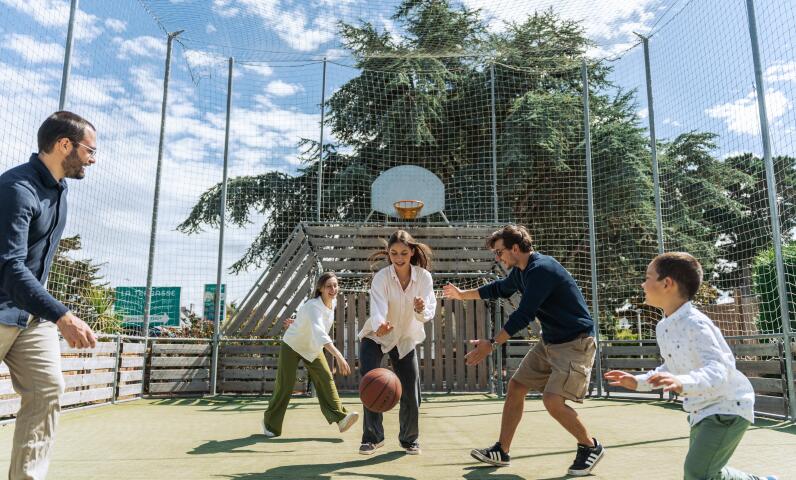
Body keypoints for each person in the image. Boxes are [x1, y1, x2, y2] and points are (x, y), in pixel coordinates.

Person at [443, 224, 603, 476]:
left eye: (499, 252)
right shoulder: (521, 272)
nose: (498, 258)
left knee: (552, 401)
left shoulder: (541, 270)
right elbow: (498, 288)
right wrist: (463, 295)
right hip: (550, 341)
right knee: (516, 386)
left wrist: (491, 343)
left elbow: (524, 314)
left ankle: (590, 446)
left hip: (575, 343)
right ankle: (502, 450)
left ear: (515, 248)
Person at [604, 252, 779, 480]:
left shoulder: (696, 324)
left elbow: (718, 368)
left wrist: (682, 382)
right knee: (709, 474)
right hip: (700, 410)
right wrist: (638, 381)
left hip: (727, 407)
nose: (642, 284)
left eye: (647, 278)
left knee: (697, 473)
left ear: (667, 283)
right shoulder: (664, 327)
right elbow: (671, 367)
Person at [0, 111, 98, 479]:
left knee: (48, 389)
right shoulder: (16, 190)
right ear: (64, 145)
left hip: (30, 316)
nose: (92, 159)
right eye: (89, 150)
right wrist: (62, 314)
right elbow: (10, 266)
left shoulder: (59, 191)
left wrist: (47, 311)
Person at [357, 230, 436, 455]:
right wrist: (380, 324)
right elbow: (378, 307)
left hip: (404, 338)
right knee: (370, 382)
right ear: (388, 253)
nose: (398, 258)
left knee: (411, 390)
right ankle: (372, 438)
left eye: (403, 252)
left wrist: (420, 309)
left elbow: (428, 310)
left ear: (412, 252)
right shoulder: (382, 277)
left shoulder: (423, 277)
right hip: (376, 336)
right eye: (393, 253)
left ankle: (409, 439)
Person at [262, 272, 358, 437]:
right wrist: (338, 356)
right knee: (286, 385)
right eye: (328, 286)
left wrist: (297, 322)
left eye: (335, 285)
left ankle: (341, 419)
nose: (333, 289)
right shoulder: (313, 305)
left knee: (326, 378)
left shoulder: (333, 303)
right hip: (293, 345)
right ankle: (270, 424)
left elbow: (310, 321)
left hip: (312, 348)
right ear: (320, 289)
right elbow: (320, 331)